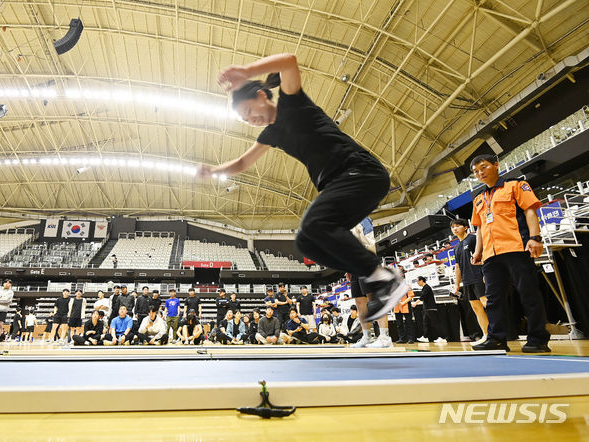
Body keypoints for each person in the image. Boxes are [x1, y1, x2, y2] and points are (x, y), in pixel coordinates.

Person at [203, 53, 408, 324]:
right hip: (341, 185)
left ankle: (383, 277)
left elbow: (288, 61)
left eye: (249, 111)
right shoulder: (271, 134)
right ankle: (377, 276)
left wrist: (245, 71)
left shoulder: (292, 103)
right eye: (244, 119)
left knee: (314, 225)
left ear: (263, 95)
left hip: (361, 172)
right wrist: (214, 171)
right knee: (307, 242)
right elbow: (242, 162)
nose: (250, 119)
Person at [469, 154, 550, 353]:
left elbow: (530, 210)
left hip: (516, 248)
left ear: (496, 165)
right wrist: (478, 252)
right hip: (490, 255)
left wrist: (535, 238)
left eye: (484, 167)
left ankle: (538, 339)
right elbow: (479, 228)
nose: (480, 173)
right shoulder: (478, 198)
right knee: (494, 298)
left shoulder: (515, 185)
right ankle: (496, 339)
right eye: (476, 171)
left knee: (529, 293)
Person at [452, 218, 489, 345]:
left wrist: (485, 273)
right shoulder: (456, 248)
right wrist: (457, 284)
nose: (455, 229)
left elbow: (483, 255)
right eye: (453, 227)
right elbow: (457, 267)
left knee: (486, 303)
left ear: (465, 227)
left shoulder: (473, 239)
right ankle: (486, 335)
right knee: (476, 308)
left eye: (457, 226)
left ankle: (497, 332)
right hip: (467, 281)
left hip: (478, 277)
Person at [412, 276, 445, 344]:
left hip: (431, 308)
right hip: (427, 308)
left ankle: (442, 338)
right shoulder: (424, 288)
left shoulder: (427, 287)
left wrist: (415, 303)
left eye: (418, 281)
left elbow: (422, 296)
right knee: (425, 323)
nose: (417, 283)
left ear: (421, 281)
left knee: (435, 323)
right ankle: (425, 337)